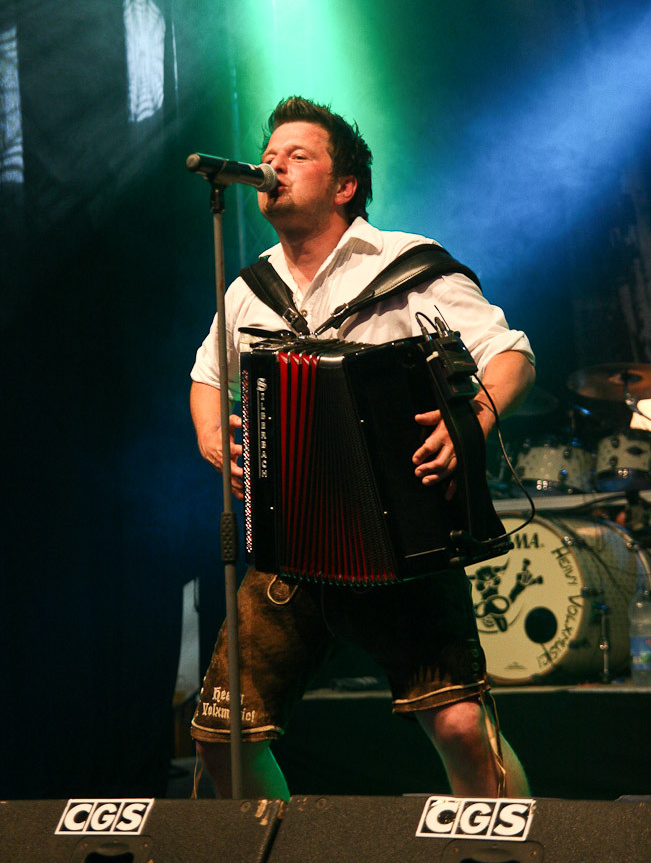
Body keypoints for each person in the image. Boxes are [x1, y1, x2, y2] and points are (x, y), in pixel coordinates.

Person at [189, 96, 535, 801]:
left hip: (403, 540)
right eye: (269, 155)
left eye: (297, 156)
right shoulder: (251, 288)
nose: (272, 167)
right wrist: (212, 434)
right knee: (222, 738)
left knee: (461, 726)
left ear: (344, 185)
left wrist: (469, 423)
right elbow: (207, 377)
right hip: (291, 539)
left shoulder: (409, 266)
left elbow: (512, 354)